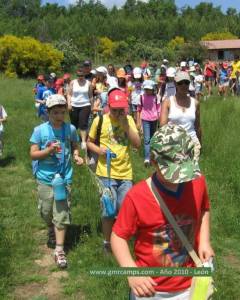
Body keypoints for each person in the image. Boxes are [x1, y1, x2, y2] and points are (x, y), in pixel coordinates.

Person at [111, 124, 214, 300]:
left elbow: (204, 209)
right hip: (151, 290)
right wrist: (132, 271)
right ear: (153, 161)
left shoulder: (197, 182)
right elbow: (118, 236)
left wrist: (204, 241)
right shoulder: (137, 196)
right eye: (173, 172)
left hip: (191, 285)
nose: (180, 178)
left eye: (184, 169)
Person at [30, 94, 84, 268]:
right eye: (55, 113)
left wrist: (76, 156)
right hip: (45, 179)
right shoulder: (40, 130)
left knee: (61, 212)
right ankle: (50, 227)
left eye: (62, 112)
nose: (59, 116)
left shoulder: (71, 129)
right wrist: (48, 151)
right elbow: (33, 153)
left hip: (64, 178)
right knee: (46, 211)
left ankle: (59, 250)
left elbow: (74, 145)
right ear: (48, 112)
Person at [87, 88, 141, 252]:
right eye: (115, 109)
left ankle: (121, 241)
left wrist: (126, 126)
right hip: (106, 173)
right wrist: (98, 151)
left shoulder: (129, 120)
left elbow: (137, 144)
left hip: (125, 173)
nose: (118, 112)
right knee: (108, 210)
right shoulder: (100, 121)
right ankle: (107, 243)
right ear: (108, 106)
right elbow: (89, 142)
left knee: (124, 209)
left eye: (121, 109)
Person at [160, 71, 201, 162]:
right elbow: (163, 126)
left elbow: (198, 126)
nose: (183, 85)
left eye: (186, 82)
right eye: (180, 83)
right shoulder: (167, 102)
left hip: (192, 143)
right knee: (175, 174)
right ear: (175, 84)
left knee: (191, 174)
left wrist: (199, 144)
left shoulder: (195, 103)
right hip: (174, 144)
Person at [67, 67, 93, 150]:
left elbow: (91, 96)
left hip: (85, 105)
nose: (80, 77)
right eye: (78, 75)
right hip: (74, 105)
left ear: (84, 75)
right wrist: (69, 104)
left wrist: (92, 107)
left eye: (81, 75)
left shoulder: (88, 83)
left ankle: (83, 142)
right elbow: (69, 94)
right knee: (74, 124)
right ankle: (73, 140)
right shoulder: (72, 83)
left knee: (83, 123)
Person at [137, 80, 160, 167]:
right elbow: (139, 109)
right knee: (147, 140)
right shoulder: (141, 97)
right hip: (145, 119)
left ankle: (153, 156)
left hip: (154, 119)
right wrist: (138, 122)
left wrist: (159, 118)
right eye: (146, 89)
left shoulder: (156, 97)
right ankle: (147, 158)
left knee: (153, 139)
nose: (147, 91)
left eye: (149, 89)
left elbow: (158, 109)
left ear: (153, 89)